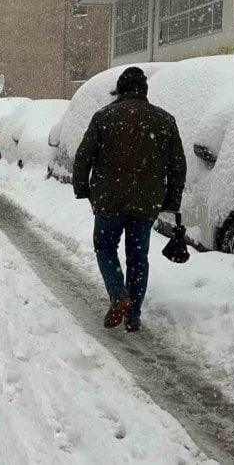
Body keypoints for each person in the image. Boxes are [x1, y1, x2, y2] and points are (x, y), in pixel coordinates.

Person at [72, 67, 186, 333]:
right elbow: (177, 165)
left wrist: (83, 189)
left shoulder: (104, 117)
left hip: (109, 199)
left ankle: (118, 294)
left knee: (105, 247)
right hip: (146, 201)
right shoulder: (164, 120)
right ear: (144, 91)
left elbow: (83, 157)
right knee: (138, 256)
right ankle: (133, 314)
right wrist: (172, 199)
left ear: (120, 90)